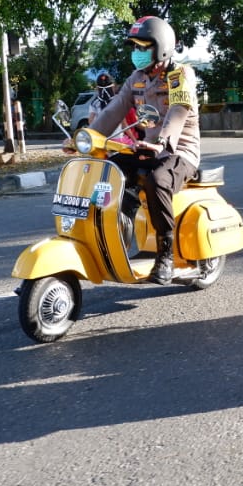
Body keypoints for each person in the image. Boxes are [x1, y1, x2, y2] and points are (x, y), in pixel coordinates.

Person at [79, 16, 200, 285]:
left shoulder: (180, 75)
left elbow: (178, 112)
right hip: (147, 149)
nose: (137, 53)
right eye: (134, 47)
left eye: (143, 47)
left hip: (179, 152)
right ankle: (118, 234)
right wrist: (86, 136)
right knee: (111, 170)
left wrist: (163, 142)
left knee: (157, 180)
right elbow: (114, 110)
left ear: (162, 47)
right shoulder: (136, 79)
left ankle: (165, 255)